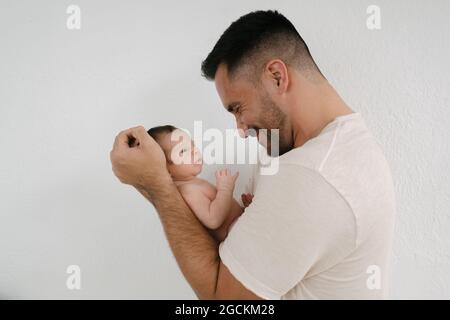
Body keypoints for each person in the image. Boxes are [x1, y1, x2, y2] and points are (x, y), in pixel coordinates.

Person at [110, 10, 396, 299]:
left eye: (237, 108)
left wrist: (156, 184)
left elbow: (225, 301)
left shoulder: (313, 178)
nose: (240, 129)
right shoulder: (297, 150)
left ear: (276, 77)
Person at [145, 125, 252, 242]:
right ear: (164, 168)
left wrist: (243, 209)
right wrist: (225, 189)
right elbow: (213, 220)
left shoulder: (192, 184)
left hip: (238, 227)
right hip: (234, 237)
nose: (195, 151)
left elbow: (223, 210)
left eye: (193, 144)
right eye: (183, 150)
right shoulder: (188, 191)